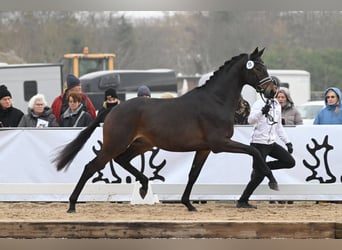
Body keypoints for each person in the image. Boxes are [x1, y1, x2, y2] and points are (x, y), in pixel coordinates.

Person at [236, 76, 296, 209]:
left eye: (275, 88)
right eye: (271, 87)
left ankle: (262, 167)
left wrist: (288, 142)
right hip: (258, 143)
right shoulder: (259, 103)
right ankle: (242, 201)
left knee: (290, 162)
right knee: (258, 177)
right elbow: (250, 120)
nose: (273, 90)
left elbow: (278, 126)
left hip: (271, 143)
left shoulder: (277, 105)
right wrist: (261, 113)